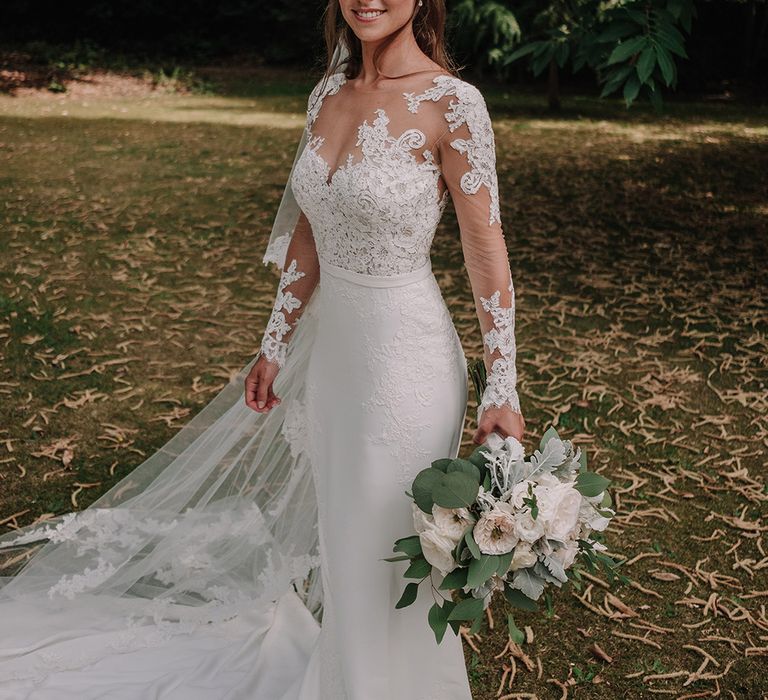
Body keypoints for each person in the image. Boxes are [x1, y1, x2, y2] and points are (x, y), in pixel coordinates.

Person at [0, 0, 524, 698]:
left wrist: (502, 386)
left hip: (408, 361)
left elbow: (484, 246)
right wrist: (275, 341)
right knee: (347, 544)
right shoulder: (327, 94)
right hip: (335, 356)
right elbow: (311, 227)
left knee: (393, 548)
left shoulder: (453, 105)